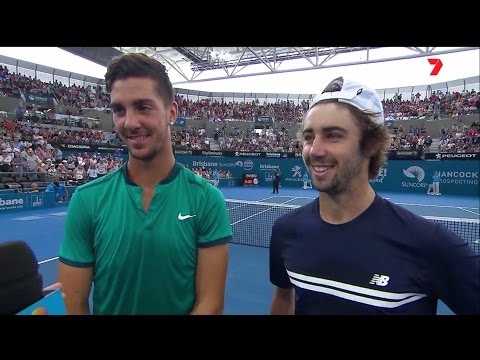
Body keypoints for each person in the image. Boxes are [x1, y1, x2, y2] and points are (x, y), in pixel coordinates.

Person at [269, 76, 479, 315]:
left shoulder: (430, 243)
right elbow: (284, 299)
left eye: (333, 135)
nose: (315, 150)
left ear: (370, 145)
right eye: (309, 137)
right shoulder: (285, 231)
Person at [57, 53, 232, 315]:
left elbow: (210, 305)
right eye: (119, 110)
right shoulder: (85, 200)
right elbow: (73, 304)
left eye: (143, 107)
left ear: (171, 112)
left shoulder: (207, 200)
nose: (130, 122)